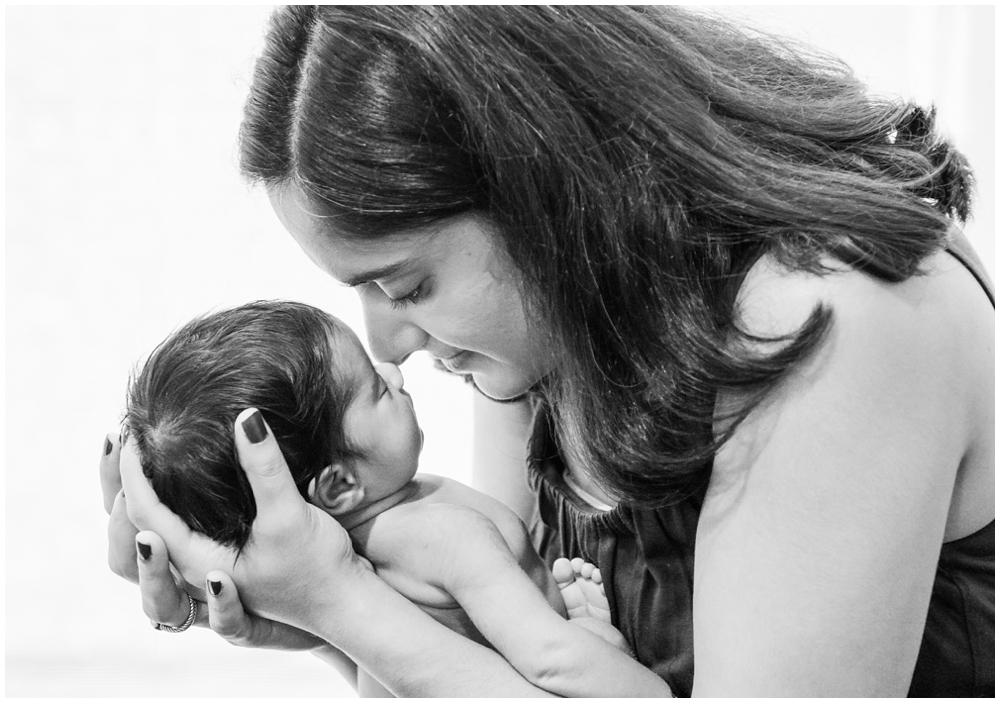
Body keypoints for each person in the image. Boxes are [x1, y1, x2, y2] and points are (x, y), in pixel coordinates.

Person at [102, 6, 994, 697]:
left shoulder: (838, 315)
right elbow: (509, 671)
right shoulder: (552, 340)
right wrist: (311, 615)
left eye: (406, 285)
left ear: (542, 191)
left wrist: (347, 604)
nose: (390, 346)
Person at [120, 299, 661, 697]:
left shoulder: (351, 561)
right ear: (339, 486)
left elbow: (383, 674)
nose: (392, 369)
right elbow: (549, 662)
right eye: (374, 391)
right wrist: (620, 666)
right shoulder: (445, 535)